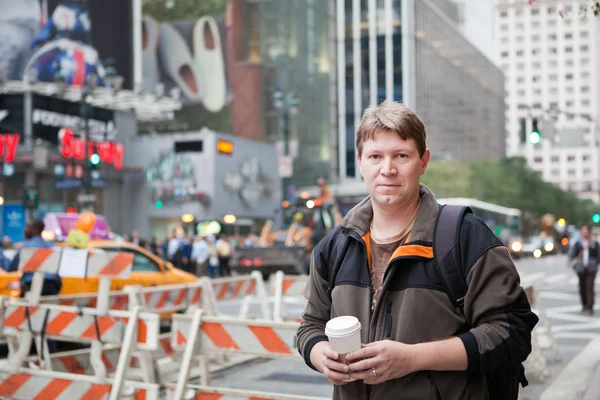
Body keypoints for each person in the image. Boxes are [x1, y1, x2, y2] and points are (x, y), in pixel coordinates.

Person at [297, 101, 538, 399]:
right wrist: (321, 355)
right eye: (375, 156)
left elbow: (511, 332)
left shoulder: (464, 237)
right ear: (360, 162)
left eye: (401, 155)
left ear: (423, 162)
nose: (388, 169)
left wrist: (412, 358)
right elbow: (310, 326)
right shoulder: (335, 247)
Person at [8, 219, 60, 296]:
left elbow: (12, 268)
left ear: (36, 230)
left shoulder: (25, 247)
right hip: (52, 285)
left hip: (30, 285)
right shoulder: (52, 246)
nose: (24, 230)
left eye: (27, 227)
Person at [568, 225, 598, 315]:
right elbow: (572, 255)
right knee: (582, 287)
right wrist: (573, 264)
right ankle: (584, 304)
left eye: (586, 231)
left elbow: (598, 256)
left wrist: (595, 264)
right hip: (580, 269)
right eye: (583, 231)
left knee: (590, 287)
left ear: (589, 232)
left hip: (591, 269)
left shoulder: (594, 244)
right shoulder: (578, 244)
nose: (585, 233)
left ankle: (590, 306)